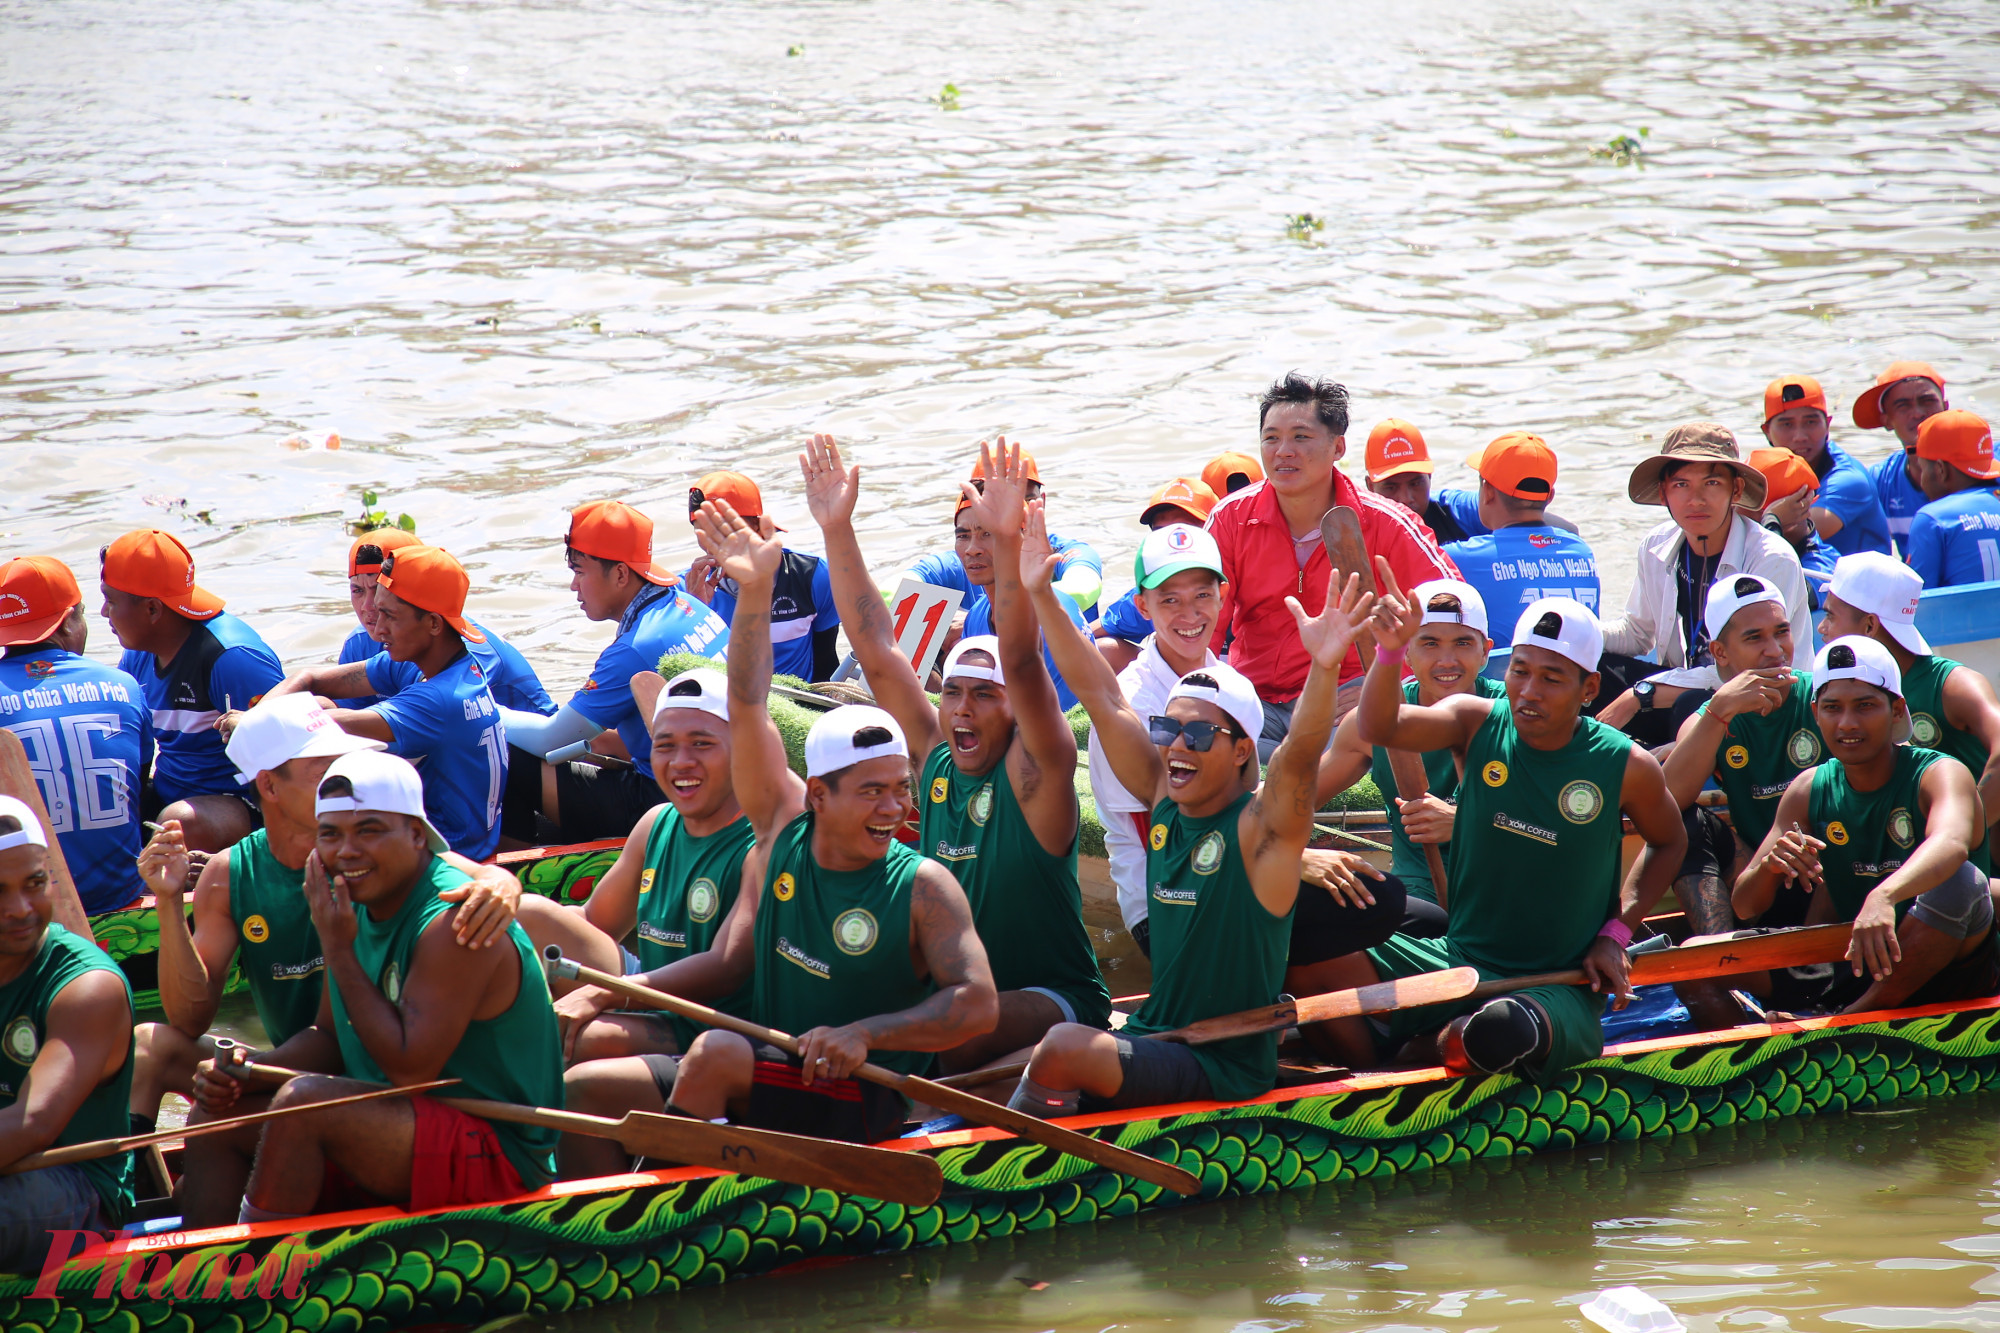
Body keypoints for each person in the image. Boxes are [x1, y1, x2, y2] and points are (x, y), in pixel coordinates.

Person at [1003, 508, 1397, 1116]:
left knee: (1060, 1047)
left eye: (1200, 736)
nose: (1176, 746)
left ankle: (1008, 1171)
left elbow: (1300, 752)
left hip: (1225, 1064)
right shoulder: (1165, 798)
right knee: (1036, 1055)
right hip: (1167, 1033)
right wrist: (1037, 593)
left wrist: (1324, 667)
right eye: (1168, 729)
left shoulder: (1263, 830)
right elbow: (1100, 693)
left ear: (1244, 749)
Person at [659, 497, 997, 1142]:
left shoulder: (924, 885)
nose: (897, 810)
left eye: (901, 790)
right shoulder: (781, 830)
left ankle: (661, 1213)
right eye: (873, 793)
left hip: (865, 1092)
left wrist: (865, 1034)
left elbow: (977, 1003)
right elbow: (748, 703)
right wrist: (754, 594)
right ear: (817, 795)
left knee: (715, 1053)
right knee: (587, 1082)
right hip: (780, 1068)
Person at [803, 438, 1108, 1070]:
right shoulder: (938, 762)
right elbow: (880, 648)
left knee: (949, 1035)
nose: (963, 708)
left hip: (1053, 1001)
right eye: (954, 695)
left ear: (1015, 709)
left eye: (984, 697)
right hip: (960, 999)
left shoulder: (1034, 773)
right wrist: (836, 526)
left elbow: (1022, 660)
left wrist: (1004, 538)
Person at [179, 751, 563, 1228]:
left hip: (496, 1151)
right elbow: (328, 1035)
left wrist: (338, 950)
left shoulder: (451, 920)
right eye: (331, 835)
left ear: (418, 835)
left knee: (303, 1103)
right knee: (216, 1113)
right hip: (401, 1120)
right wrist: (247, 1073)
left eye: (370, 831)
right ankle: (196, 1272)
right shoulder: (356, 896)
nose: (346, 852)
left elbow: (410, 1070)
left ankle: (261, 1273)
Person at [1322, 589, 1686, 1078]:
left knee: (1499, 1031)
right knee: (1303, 954)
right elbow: (1380, 724)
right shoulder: (1473, 722)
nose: (1529, 692)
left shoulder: (1626, 764)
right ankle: (1373, 1071)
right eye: (1519, 671)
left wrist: (1615, 935)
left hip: (1557, 981)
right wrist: (1389, 652)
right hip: (1457, 957)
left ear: (1589, 688)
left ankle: (1425, 1045)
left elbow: (1670, 842)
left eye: (1551, 678)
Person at [126, 694, 526, 1131]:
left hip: (371, 1065)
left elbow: (475, 875)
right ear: (270, 786)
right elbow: (189, 1019)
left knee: (214, 1117)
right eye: (324, 772)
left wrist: (505, 883)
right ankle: (126, 1190)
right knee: (149, 1045)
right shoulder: (227, 875)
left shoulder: (365, 857)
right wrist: (167, 902)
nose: (343, 782)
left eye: (344, 764)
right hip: (294, 1064)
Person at [554, 668, 760, 1178]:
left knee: (579, 1055)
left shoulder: (765, 839)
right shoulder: (655, 824)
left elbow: (728, 966)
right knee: (536, 1016)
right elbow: (594, 922)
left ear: (745, 747)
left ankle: (603, 1207)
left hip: (733, 1035)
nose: (681, 762)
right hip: (667, 1015)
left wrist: (603, 993)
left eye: (702, 744)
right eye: (665, 745)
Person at [1734, 637, 1998, 1015]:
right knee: (1695, 961)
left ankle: (1849, 1021)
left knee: (1963, 881)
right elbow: (1745, 905)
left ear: (1896, 710)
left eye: (1865, 706)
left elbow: (1952, 843)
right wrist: (1771, 865)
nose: (1847, 723)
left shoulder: (1939, 773)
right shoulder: (1808, 789)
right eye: (1832, 708)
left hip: (1956, 971)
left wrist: (1883, 896)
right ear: (1815, 713)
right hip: (1864, 964)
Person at [1206, 374, 1457, 758]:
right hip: (1255, 698)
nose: (1283, 451)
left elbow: (1454, 613)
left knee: (1356, 742)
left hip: (1348, 702)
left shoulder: (1388, 522)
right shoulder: (1230, 518)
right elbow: (1202, 621)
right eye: (1271, 438)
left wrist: (1390, 685)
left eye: (1301, 437)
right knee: (1211, 744)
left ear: (1337, 446)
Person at [500, 501, 731, 845]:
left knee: (507, 753)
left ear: (621, 574)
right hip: (720, 782)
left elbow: (550, 739)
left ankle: (519, 873)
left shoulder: (633, 649)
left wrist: (484, 712)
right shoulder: (689, 605)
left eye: (580, 572)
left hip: (666, 799)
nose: (573, 586)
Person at [258, 545, 508, 859]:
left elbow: (312, 727)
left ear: (433, 623)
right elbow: (310, 677)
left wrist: (250, 722)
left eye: (389, 616)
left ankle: (264, 860)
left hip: (450, 856)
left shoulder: (440, 699)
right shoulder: (439, 663)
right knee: (321, 706)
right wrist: (260, 714)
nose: (378, 627)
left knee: (314, 746)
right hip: (457, 834)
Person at [1657, 575, 1822, 1027]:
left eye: (1781, 632)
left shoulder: (1825, 698)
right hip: (1759, 886)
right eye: (1755, 638)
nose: (1775, 650)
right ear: (1720, 654)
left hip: (1833, 882)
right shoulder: (1711, 716)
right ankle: (1727, 964)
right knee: (1684, 821)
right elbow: (1666, 807)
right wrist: (1719, 713)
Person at [1596, 424, 1811, 738]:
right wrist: (1577, 635)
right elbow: (1637, 633)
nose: (1695, 500)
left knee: (1692, 705)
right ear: (1663, 493)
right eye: (1681, 484)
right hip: (1681, 685)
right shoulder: (1655, 546)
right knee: (1588, 669)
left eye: (1711, 483)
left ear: (1735, 490)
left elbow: (1750, 673)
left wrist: (1640, 695)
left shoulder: (1770, 558)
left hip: (1761, 701)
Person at [0, 795, 137, 1268]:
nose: (19, 909)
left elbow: (34, 1123)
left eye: (34, 884)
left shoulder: (86, 985)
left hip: (76, 1190)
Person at [1316, 579, 1503, 922]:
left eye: (1462, 643)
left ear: (1486, 651)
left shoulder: (1518, 714)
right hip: (1419, 899)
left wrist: (1466, 823)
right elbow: (1292, 801)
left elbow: (1561, 827)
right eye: (1429, 643)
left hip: (1504, 886)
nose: (1447, 661)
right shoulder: (1373, 721)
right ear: (1406, 651)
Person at [101, 529, 285, 854]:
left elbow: (291, 762)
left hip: (243, 806)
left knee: (178, 823)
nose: (103, 612)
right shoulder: (139, 651)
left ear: (153, 610)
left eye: (111, 601)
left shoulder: (232, 659)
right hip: (175, 792)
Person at [1091, 524, 1230, 953]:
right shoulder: (1132, 702)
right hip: (1163, 897)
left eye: (1202, 596)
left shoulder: (1229, 680)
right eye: (1170, 600)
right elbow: (1151, 828)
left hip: (1228, 870)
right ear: (1142, 606)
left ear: (1222, 596)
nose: (1190, 615)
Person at [1820, 551, 2000, 865]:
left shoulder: (1952, 685)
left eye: (1831, 615)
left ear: (1870, 625)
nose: (1822, 628)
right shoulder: (1832, 693)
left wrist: (1953, 839)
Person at [0, 556, 150, 915]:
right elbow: (140, 786)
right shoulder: (123, 685)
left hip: (30, 909)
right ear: (68, 622)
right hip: (118, 894)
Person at [901, 448, 1099, 707]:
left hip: (1057, 732)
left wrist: (1039, 590)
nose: (973, 548)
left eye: (988, 533)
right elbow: (893, 594)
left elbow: (1084, 587)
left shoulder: (1052, 600)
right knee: (911, 625)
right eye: (963, 535)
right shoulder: (975, 614)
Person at [337, 529, 554, 715]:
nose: (367, 606)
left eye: (377, 590)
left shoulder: (463, 649)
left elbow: (422, 718)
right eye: (357, 590)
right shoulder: (359, 644)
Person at [1440, 432, 1600, 643]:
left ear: (1487, 492)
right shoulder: (1582, 552)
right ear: (1550, 496)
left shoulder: (1459, 558)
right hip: (1573, 673)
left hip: (1502, 674)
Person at [681, 473, 841, 682]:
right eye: (702, 531)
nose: (713, 543)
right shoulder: (683, 591)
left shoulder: (812, 576)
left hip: (799, 705)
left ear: (757, 525)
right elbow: (683, 672)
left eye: (723, 529)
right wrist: (695, 612)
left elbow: (827, 664)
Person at [1092, 476, 1219, 672]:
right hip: (1177, 684)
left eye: (1185, 530)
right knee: (1103, 650)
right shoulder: (1151, 592)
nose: (1172, 540)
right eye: (1161, 532)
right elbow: (1084, 635)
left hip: (1248, 687)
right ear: (1143, 605)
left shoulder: (1251, 578)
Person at [1759, 374, 1892, 557]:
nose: (1800, 436)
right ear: (1767, 432)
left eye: (1811, 422)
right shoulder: (1768, 471)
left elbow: (1792, 535)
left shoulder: (1849, 480)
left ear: (1828, 425)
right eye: (1787, 424)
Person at [1854, 361, 1950, 553]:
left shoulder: (1991, 463)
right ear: (1886, 420)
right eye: (1903, 405)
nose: (1918, 413)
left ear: (1945, 407)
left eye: (1927, 401)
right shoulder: (1879, 480)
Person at [1905, 411, 2000, 590]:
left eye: (1923, 468)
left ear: (1941, 470)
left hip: (1966, 618)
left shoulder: (1933, 519)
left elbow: (1916, 602)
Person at [1363, 418, 1483, 544]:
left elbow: (1500, 501)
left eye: (1415, 484)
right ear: (1370, 487)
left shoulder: (1457, 510)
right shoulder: (1355, 531)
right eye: (1391, 487)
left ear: (1429, 477)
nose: (1405, 498)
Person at [1746, 448, 1838, 588]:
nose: (1731, 512)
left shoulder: (1823, 568)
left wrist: (1771, 521)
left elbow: (1775, 591)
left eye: (1739, 507)